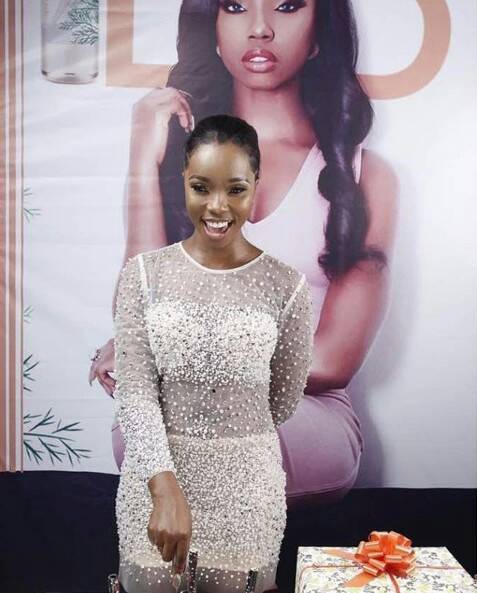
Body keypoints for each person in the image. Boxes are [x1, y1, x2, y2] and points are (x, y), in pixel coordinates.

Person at [90, 0, 398, 510]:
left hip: (304, 417)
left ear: (319, 33)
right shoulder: (179, 163)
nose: (259, 28)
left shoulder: (366, 176)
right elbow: (136, 313)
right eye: (235, 7)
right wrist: (142, 157)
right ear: (211, 29)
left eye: (287, 6)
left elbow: (331, 360)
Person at [113, 114, 314, 592]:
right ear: (183, 179)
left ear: (256, 184)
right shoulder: (144, 275)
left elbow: (282, 400)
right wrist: (163, 485)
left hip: (247, 497)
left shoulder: (287, 286)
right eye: (201, 187)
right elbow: (135, 391)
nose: (217, 206)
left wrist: (231, 437)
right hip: (154, 488)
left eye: (236, 189)